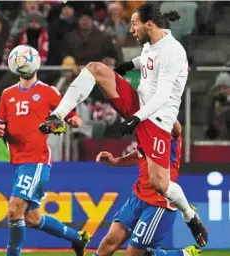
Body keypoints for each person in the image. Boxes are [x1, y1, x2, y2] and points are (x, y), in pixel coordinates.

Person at [39, 3, 208, 247]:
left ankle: (190, 217)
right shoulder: (154, 43)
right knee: (96, 69)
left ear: (149, 24)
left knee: (160, 184)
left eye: (134, 23)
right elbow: (147, 60)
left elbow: (161, 95)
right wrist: (124, 67)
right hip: (139, 104)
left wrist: (136, 119)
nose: (131, 29)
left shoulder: (173, 51)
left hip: (156, 119)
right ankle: (58, 115)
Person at [0, 46, 89, 256]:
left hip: (36, 160)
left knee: (13, 209)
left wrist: (70, 121)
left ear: (34, 62)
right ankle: (77, 238)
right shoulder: (7, 95)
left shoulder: (48, 92)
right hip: (19, 162)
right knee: (32, 219)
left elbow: (75, 118)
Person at [95, 121, 201, 256]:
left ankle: (184, 254)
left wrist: (160, 107)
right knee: (107, 245)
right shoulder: (146, 130)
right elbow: (140, 153)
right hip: (138, 196)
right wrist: (116, 161)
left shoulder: (167, 132)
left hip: (158, 202)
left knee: (134, 254)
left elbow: (177, 128)